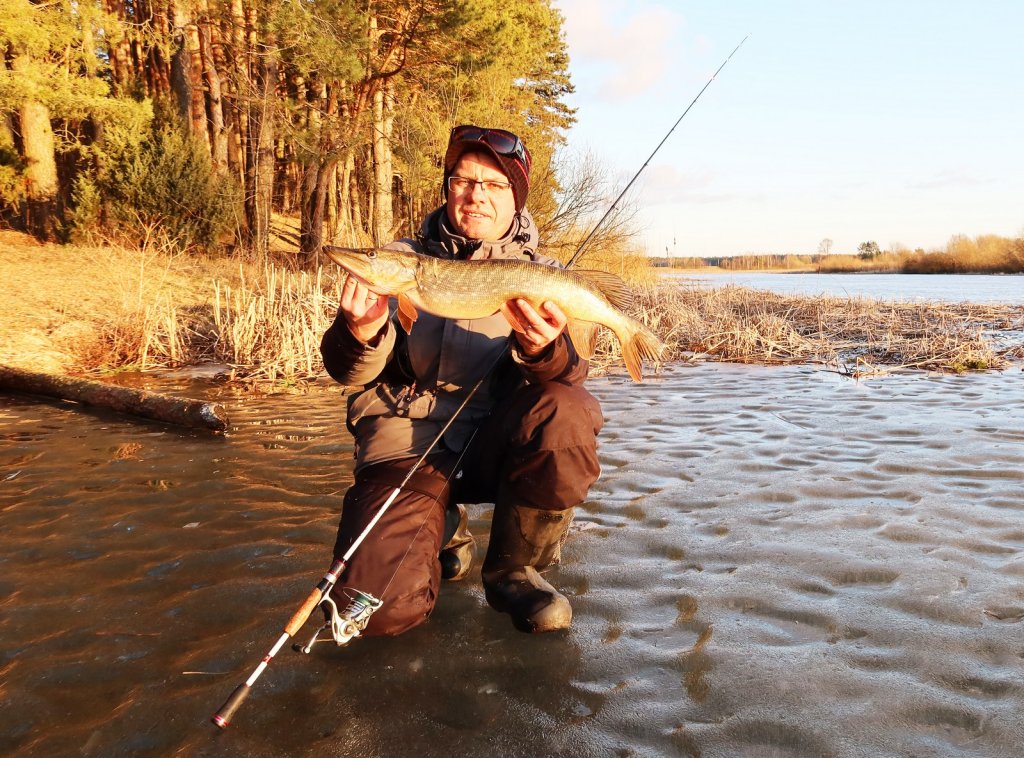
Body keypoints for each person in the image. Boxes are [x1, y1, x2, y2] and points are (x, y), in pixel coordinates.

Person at [320, 125, 603, 636]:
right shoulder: (402, 258)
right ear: (448, 186)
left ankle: (514, 568)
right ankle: (441, 527)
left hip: (497, 441)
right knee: (376, 614)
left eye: (493, 185)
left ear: (514, 198)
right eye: (462, 180)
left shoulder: (544, 274)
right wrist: (359, 332)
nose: (475, 195)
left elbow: (571, 375)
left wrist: (542, 349)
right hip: (409, 446)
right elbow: (347, 373)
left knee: (568, 412)